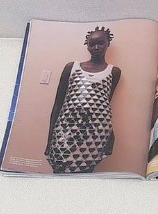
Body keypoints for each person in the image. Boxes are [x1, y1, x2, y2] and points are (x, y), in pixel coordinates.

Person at [45, 26, 121, 174]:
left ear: (108, 43)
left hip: (96, 132)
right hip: (66, 127)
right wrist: (49, 139)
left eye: (101, 43)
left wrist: (111, 135)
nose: (96, 47)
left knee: (85, 172)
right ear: (87, 45)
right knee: (59, 166)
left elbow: (106, 104)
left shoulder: (114, 72)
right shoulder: (72, 67)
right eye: (92, 44)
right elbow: (58, 103)